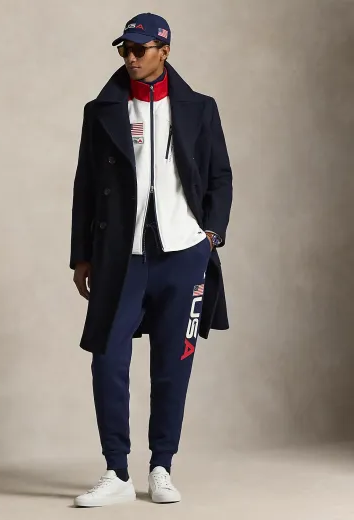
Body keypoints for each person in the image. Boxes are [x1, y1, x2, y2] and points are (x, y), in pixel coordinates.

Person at [70, 12, 233, 507]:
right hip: (121, 258)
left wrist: (211, 235)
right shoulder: (101, 110)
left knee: (172, 365)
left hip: (183, 255)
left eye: (139, 49)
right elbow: (84, 186)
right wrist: (82, 255)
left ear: (165, 50)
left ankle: (162, 466)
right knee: (107, 360)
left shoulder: (200, 108)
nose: (130, 57)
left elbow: (220, 175)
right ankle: (116, 471)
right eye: (125, 49)